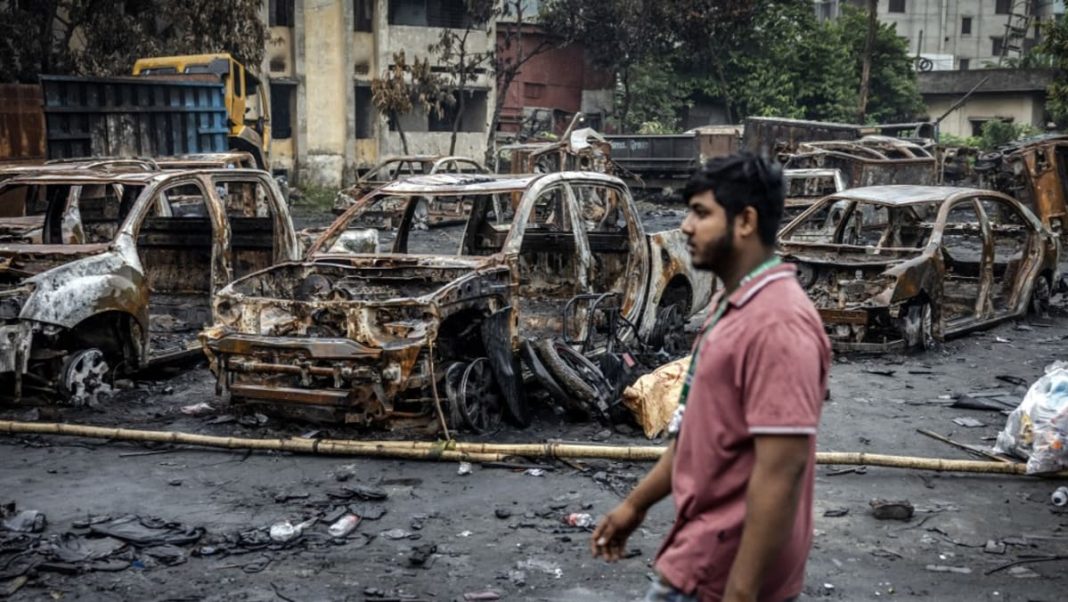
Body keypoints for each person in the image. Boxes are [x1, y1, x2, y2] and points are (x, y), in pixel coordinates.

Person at [591, 153, 831, 602]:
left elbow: (781, 470)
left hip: (720, 579)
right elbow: (694, 438)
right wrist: (634, 506)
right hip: (696, 558)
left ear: (745, 221)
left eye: (701, 213)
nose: (685, 226)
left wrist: (740, 593)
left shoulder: (778, 324)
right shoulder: (733, 306)